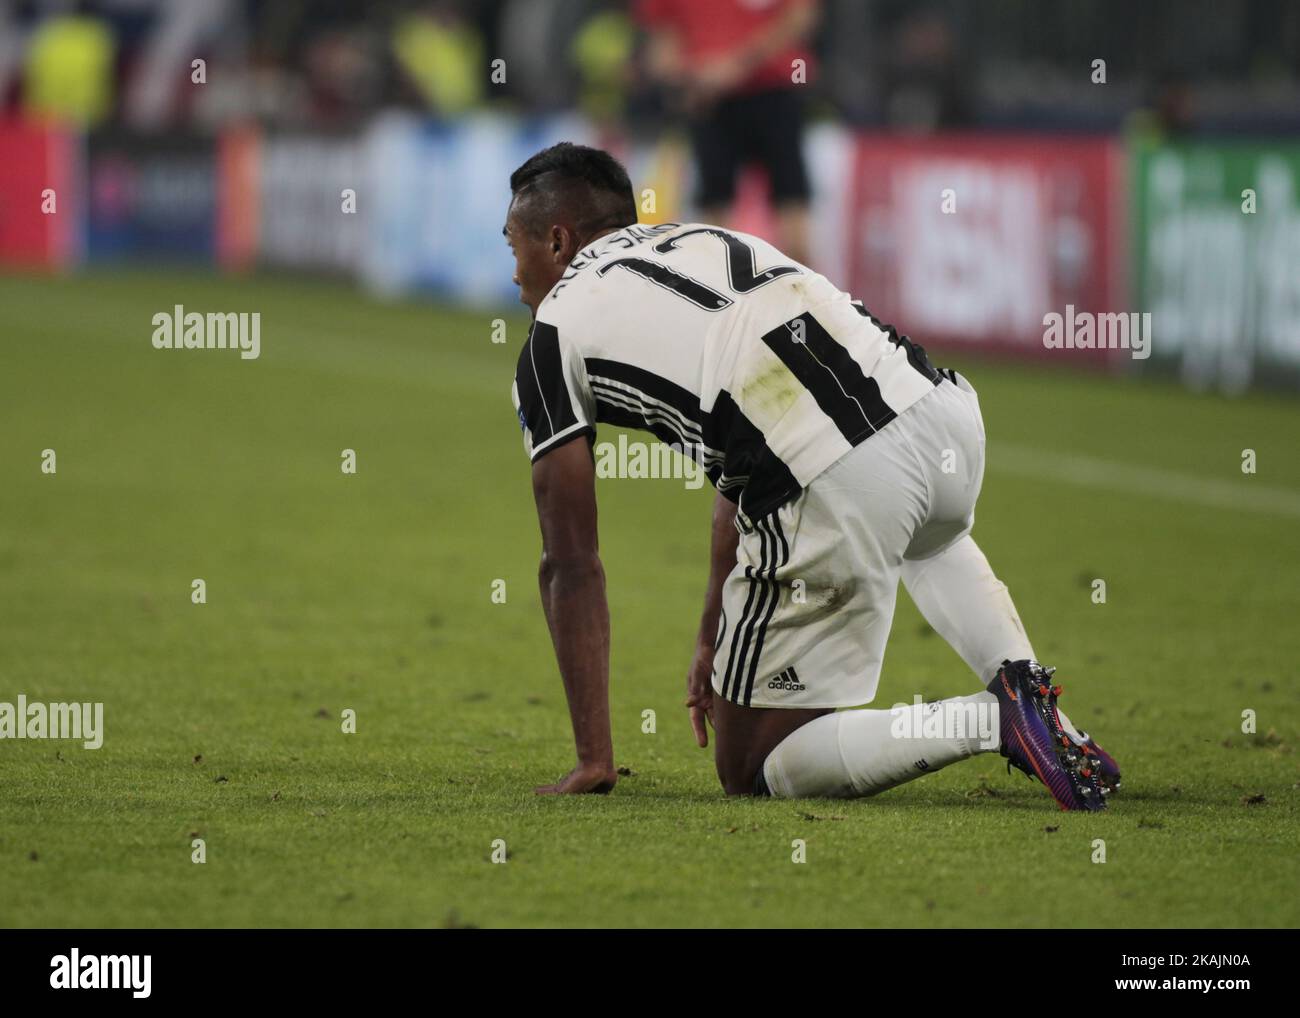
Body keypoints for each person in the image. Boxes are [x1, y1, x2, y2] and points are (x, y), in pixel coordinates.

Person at [504, 142, 1120, 809]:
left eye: (514, 246)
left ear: (559, 241)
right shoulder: (703, 237)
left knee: (750, 764)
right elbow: (736, 461)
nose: (513, 273)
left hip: (835, 478)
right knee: (931, 539)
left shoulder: (552, 335)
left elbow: (570, 561)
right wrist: (715, 629)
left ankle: (989, 720)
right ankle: (1045, 716)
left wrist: (595, 755)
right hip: (942, 419)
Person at [637, 0, 817, 266]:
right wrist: (684, 79)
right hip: (707, 102)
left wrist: (735, 65)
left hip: (774, 92)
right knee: (712, 224)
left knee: (793, 216)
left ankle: (805, 303)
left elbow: (801, 17)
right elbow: (663, 36)